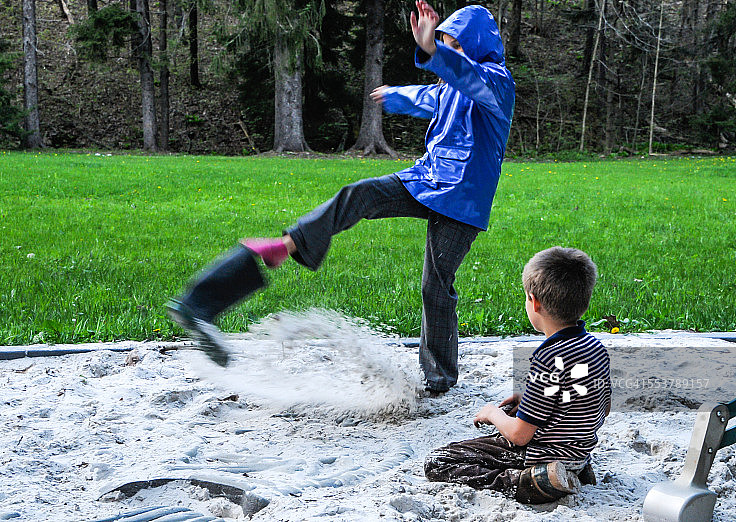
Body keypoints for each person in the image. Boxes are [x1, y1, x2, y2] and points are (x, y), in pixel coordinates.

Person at [167, 2, 515, 393]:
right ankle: (289, 244)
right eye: (445, 43)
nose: (449, 50)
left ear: (477, 45)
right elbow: (430, 98)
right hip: (426, 179)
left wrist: (434, 50)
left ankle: (439, 380)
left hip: (464, 199)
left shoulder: (497, 83)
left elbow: (468, 77)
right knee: (359, 194)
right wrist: (396, 94)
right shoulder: (451, 87)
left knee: (436, 284)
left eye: (456, 44)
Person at [424, 247, 611, 504]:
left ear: (534, 303)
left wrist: (493, 413)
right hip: (579, 452)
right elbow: (601, 405)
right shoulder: (594, 347)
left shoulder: (548, 358)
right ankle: (572, 471)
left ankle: (528, 483)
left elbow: (519, 435)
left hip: (539, 454)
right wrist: (533, 400)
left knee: (439, 461)